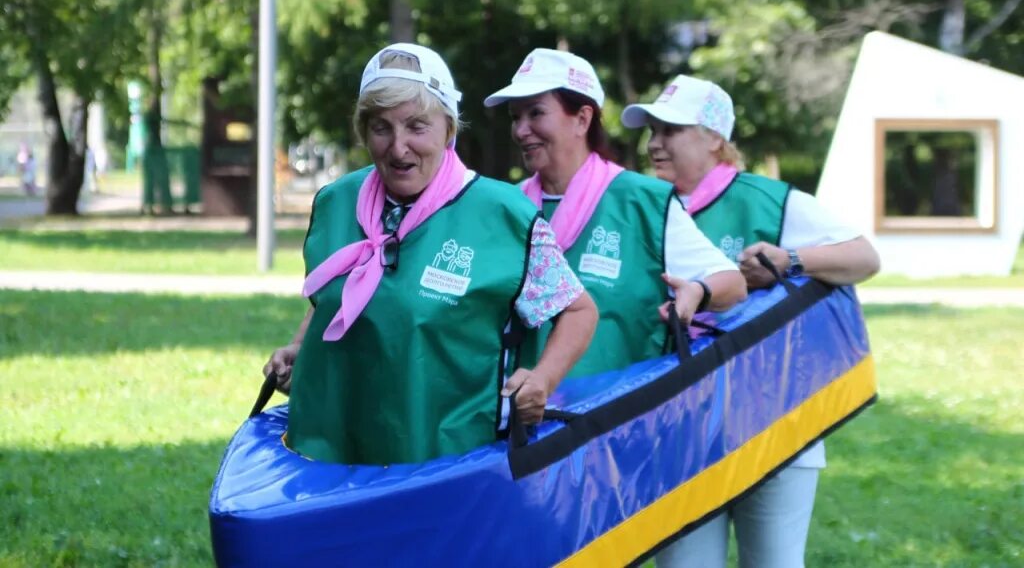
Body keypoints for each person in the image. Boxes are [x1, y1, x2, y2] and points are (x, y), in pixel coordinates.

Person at [263, 43, 597, 466]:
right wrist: (300, 347)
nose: (398, 147)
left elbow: (579, 310)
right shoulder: (335, 202)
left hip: (446, 466)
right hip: (328, 458)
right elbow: (335, 299)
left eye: (416, 126)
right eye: (381, 128)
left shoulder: (504, 217)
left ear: (449, 129)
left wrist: (542, 379)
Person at [621, 74, 881, 568]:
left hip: (775, 420)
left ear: (715, 138)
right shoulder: (643, 207)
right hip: (680, 428)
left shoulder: (770, 200)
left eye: (669, 130)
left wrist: (793, 260)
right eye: (651, 130)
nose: (653, 143)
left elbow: (865, 258)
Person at [484, 49, 745, 378]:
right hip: (519, 419)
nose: (521, 130)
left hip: (619, 421)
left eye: (535, 113)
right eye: (514, 117)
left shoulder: (644, 203)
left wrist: (699, 292)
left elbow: (733, 284)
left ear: (582, 119)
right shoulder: (508, 206)